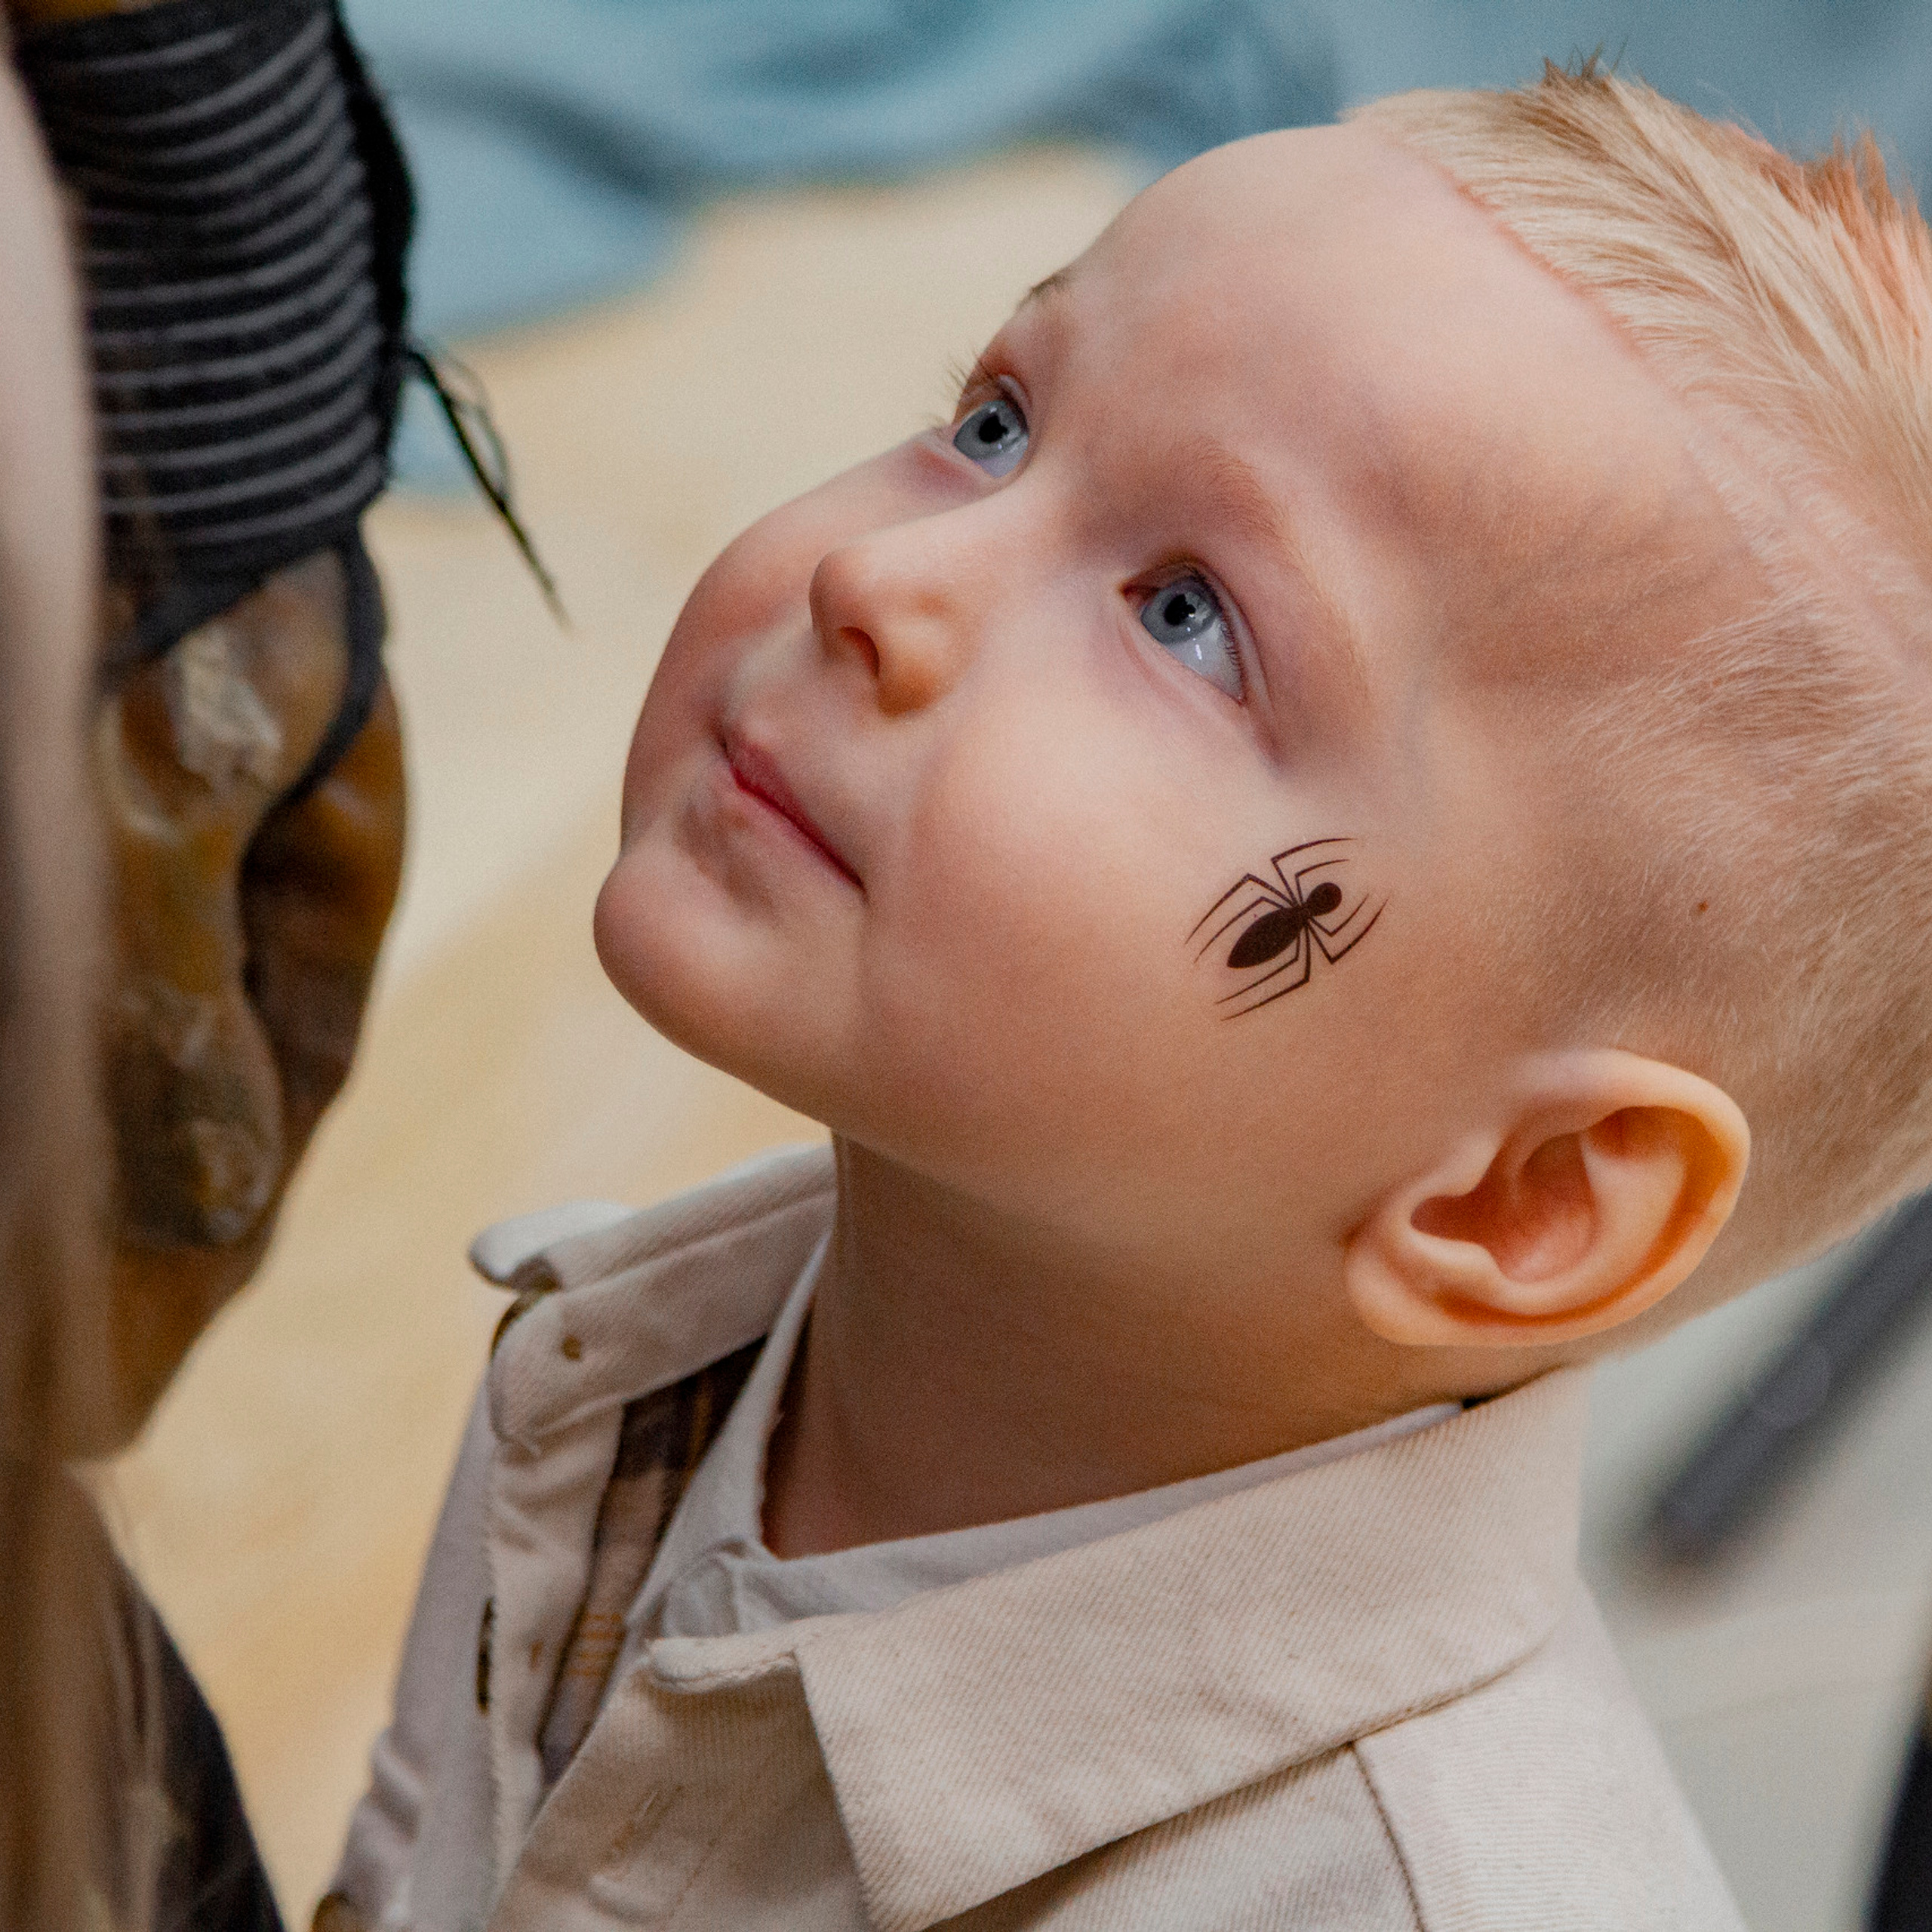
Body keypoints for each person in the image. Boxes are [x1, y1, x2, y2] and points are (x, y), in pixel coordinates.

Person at [325, 63, 1932, 1930]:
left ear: (1521, 1197)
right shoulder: (608, 1373)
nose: (878, 573)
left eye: (1189, 616)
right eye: (996, 422)